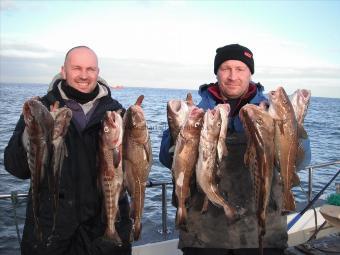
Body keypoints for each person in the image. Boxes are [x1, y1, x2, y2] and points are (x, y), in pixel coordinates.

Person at [159, 43, 311, 255]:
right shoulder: (195, 111)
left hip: (261, 235)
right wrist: (180, 129)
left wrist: (292, 124)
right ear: (217, 72)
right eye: (225, 68)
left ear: (250, 73)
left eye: (240, 69)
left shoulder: (273, 109)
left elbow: (302, 162)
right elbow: (167, 160)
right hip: (203, 237)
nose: (232, 76)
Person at [4, 46, 132, 255]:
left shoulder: (116, 113)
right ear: (63, 71)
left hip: (104, 235)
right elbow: (15, 167)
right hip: (50, 236)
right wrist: (34, 131)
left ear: (98, 73)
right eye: (77, 68)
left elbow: (134, 167)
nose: (84, 75)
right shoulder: (40, 108)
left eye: (90, 69)